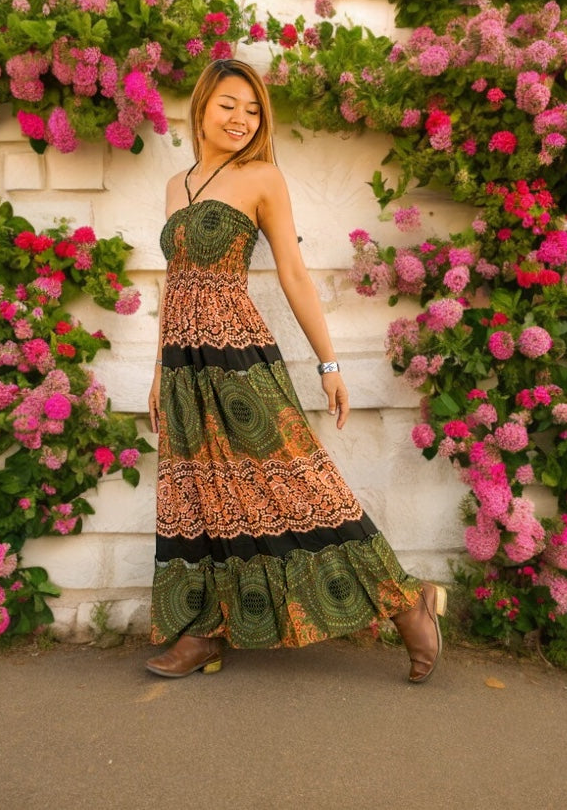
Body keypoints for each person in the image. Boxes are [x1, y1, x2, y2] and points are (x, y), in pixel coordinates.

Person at [144, 58, 446, 683]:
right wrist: (157, 371)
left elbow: (294, 275)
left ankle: (405, 601)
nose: (241, 119)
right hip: (182, 364)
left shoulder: (262, 179)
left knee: (296, 487)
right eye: (229, 104)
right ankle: (204, 629)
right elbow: (175, 282)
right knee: (200, 495)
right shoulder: (177, 186)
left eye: (253, 110)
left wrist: (328, 364)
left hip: (236, 352)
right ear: (201, 106)